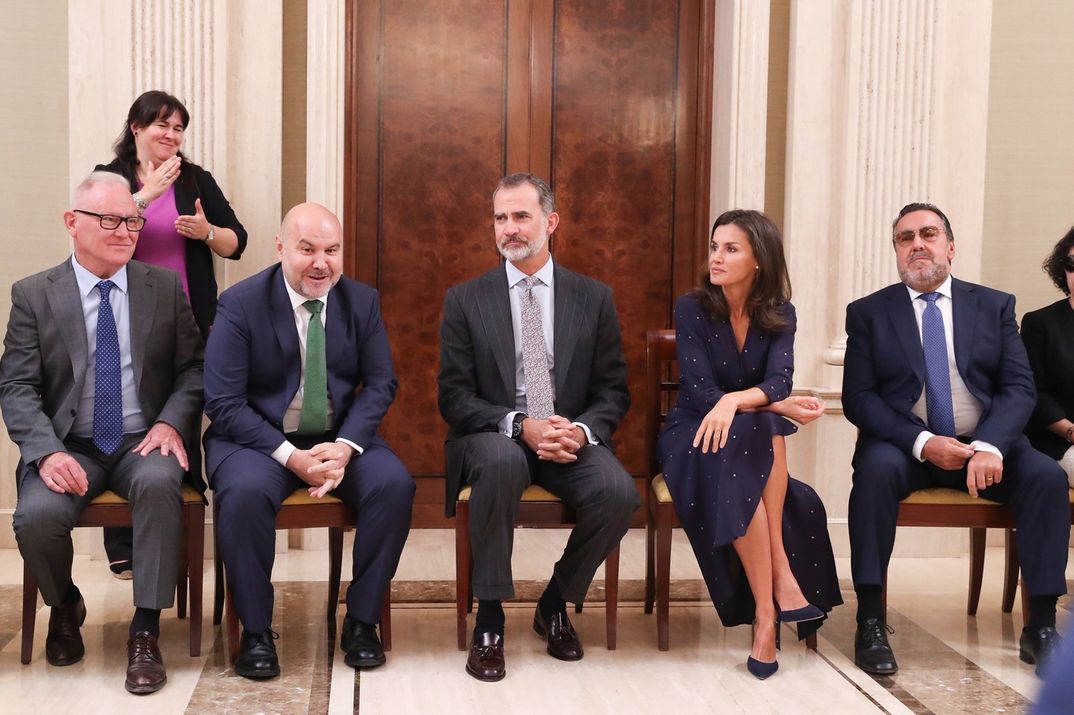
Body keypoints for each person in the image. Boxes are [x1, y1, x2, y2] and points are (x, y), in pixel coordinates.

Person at [843, 202, 1070, 677]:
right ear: (898, 251)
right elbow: (860, 399)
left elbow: (1018, 388)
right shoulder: (868, 313)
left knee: (1045, 477)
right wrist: (924, 442)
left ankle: (1042, 626)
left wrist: (989, 445)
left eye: (928, 234)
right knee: (874, 471)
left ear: (950, 246)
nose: (917, 245)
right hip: (906, 447)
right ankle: (870, 620)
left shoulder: (993, 305)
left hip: (983, 446)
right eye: (906, 238)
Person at [0, 171, 204, 694]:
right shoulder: (34, 295)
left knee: (161, 484)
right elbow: (17, 387)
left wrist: (168, 421)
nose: (125, 230)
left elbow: (193, 369)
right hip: (71, 445)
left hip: (144, 440)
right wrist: (44, 453)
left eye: (132, 220)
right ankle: (65, 605)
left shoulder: (162, 287)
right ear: (73, 223)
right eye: (109, 219)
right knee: (37, 517)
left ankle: (145, 629)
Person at [438, 173, 640, 682]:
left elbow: (614, 390)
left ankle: (553, 603)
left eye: (520, 216)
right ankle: (489, 617)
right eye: (500, 218)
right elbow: (455, 397)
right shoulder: (466, 299)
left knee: (618, 493)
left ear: (550, 222)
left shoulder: (593, 297)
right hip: (495, 435)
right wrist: (518, 424)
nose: (509, 228)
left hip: (566, 434)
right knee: (504, 461)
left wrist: (581, 431)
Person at [203, 202, 414, 679]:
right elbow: (223, 402)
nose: (322, 263)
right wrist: (290, 456)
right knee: (244, 494)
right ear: (280, 248)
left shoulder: (362, 302)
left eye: (332, 250)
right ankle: (255, 631)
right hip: (257, 440)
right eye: (307, 250)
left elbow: (381, 384)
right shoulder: (240, 304)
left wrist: (344, 447)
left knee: (394, 484)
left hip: (336, 439)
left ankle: (361, 622)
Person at [656, 209, 841, 680]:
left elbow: (780, 380)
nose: (717, 257)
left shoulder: (781, 314)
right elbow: (700, 393)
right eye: (715, 246)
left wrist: (746, 402)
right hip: (692, 435)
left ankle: (765, 616)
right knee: (764, 425)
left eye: (731, 248)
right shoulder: (691, 307)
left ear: (758, 259)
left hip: (746, 434)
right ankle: (780, 579)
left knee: (759, 427)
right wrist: (768, 406)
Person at [96, 89, 247, 579]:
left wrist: (205, 231)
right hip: (124, 321)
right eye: (162, 124)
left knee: (180, 421)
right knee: (121, 421)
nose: (171, 135)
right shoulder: (111, 180)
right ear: (136, 127)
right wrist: (144, 198)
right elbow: (97, 234)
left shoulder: (196, 178)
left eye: (179, 127)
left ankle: (177, 532)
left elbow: (236, 243)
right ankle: (122, 541)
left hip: (190, 322)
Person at [1021, 227, 1074, 484]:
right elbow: (1034, 393)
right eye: (1072, 263)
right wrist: (1071, 431)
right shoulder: (1040, 323)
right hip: (1058, 440)